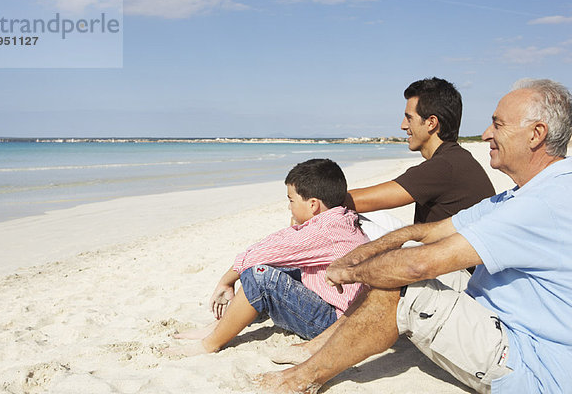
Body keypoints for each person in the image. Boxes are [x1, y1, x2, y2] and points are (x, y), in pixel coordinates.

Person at [257, 78, 572, 394]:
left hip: (529, 361)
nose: (487, 133)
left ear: (536, 134)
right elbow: (428, 231)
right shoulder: (522, 194)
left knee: (400, 279)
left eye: (498, 125)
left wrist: (350, 270)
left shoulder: (542, 202)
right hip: (494, 309)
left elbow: (416, 266)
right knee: (395, 256)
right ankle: (321, 349)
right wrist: (359, 257)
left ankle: (301, 379)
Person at [165, 158, 372, 357]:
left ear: (313, 205)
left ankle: (210, 343)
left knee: (260, 275)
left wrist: (226, 280)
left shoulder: (325, 232)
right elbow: (278, 244)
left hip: (333, 322)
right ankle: (222, 324)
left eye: (291, 200)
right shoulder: (340, 219)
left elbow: (260, 253)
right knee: (275, 266)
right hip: (336, 305)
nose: (289, 207)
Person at [349, 77, 495, 226]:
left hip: (449, 248)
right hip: (453, 245)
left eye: (409, 118)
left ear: (431, 123)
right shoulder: (456, 158)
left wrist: (325, 199)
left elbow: (361, 200)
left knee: (346, 214)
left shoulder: (444, 166)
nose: (403, 126)